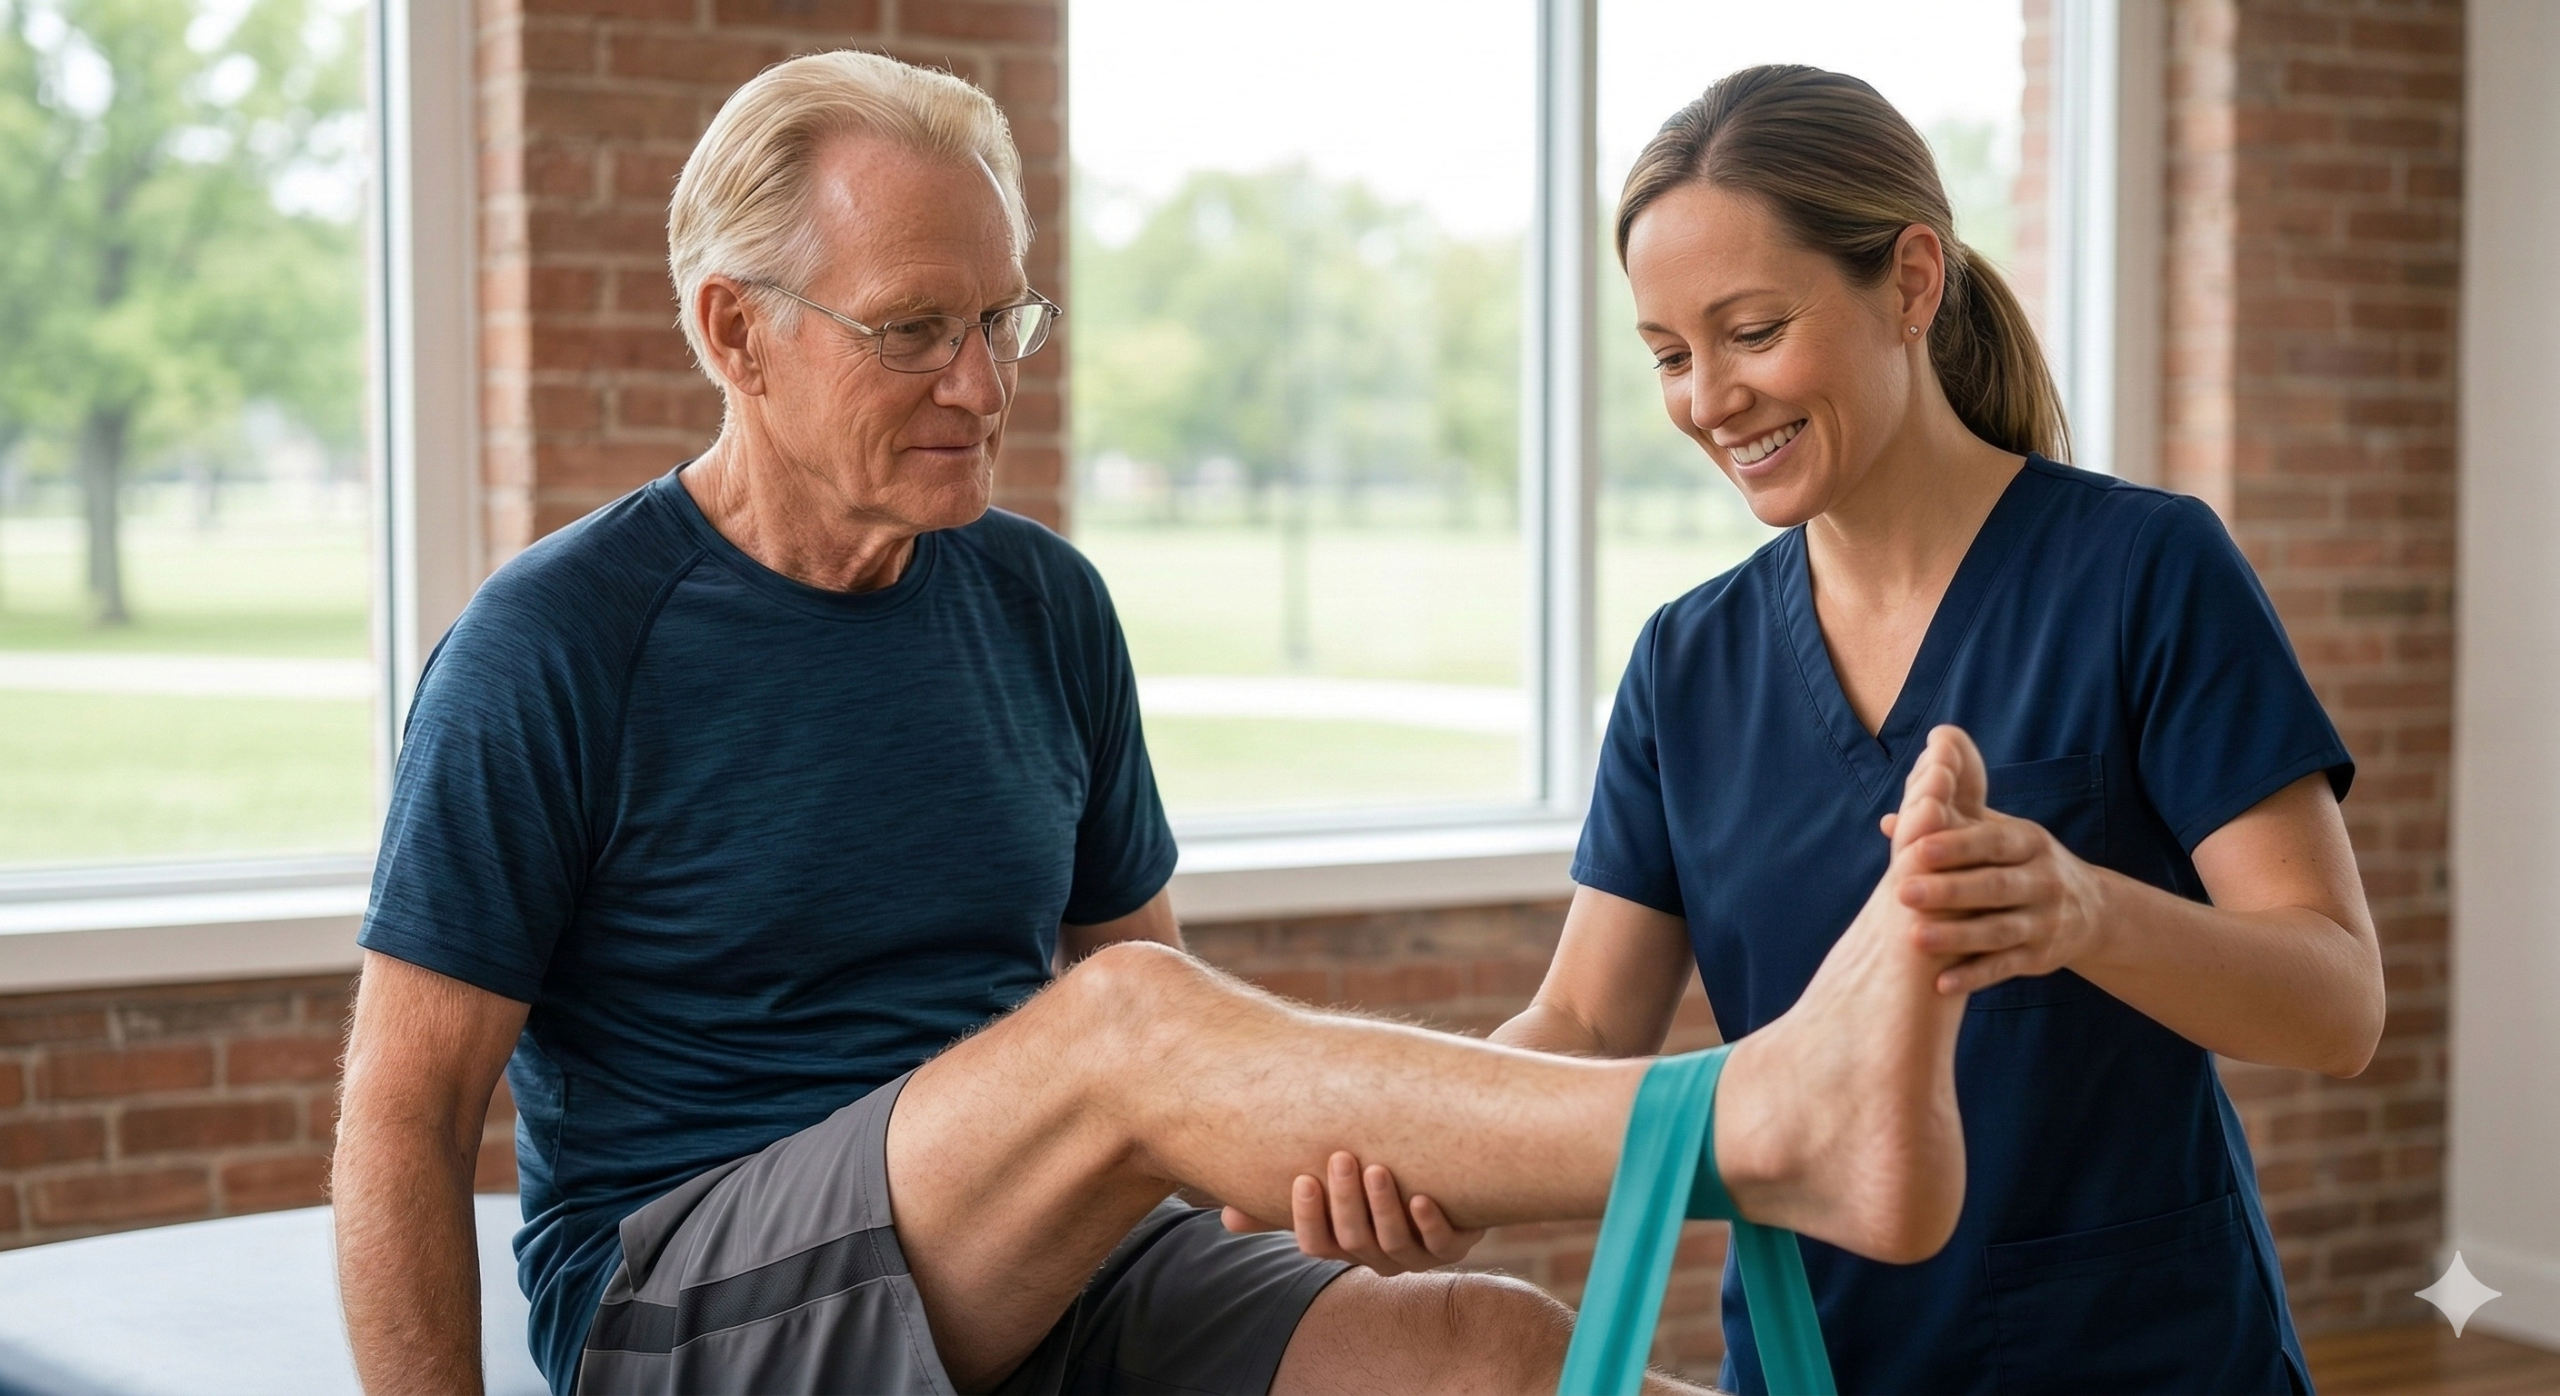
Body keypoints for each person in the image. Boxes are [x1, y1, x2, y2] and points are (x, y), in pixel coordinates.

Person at [330, 51, 2012, 1396]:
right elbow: (405, 1114)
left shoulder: (1039, 604)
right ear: (735, 333)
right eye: (915, 331)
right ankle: (1761, 1124)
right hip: (697, 1308)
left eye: (1004, 322)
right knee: (1119, 1024)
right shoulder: (556, 643)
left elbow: (1175, 1060)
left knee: (1490, 1351)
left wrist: (1336, 1164)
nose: (984, 385)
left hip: (1044, 1257)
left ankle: (1766, 1138)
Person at [1315, 65, 2381, 1395]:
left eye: (1752, 331)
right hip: (1826, 1361)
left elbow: (2338, 1002)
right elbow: (1588, 1021)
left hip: (2142, 1352)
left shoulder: (2147, 573)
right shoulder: (1686, 664)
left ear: (1913, 282)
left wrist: (2085, 913)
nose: (1708, 399)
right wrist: (1441, 1157)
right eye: (1666, 355)